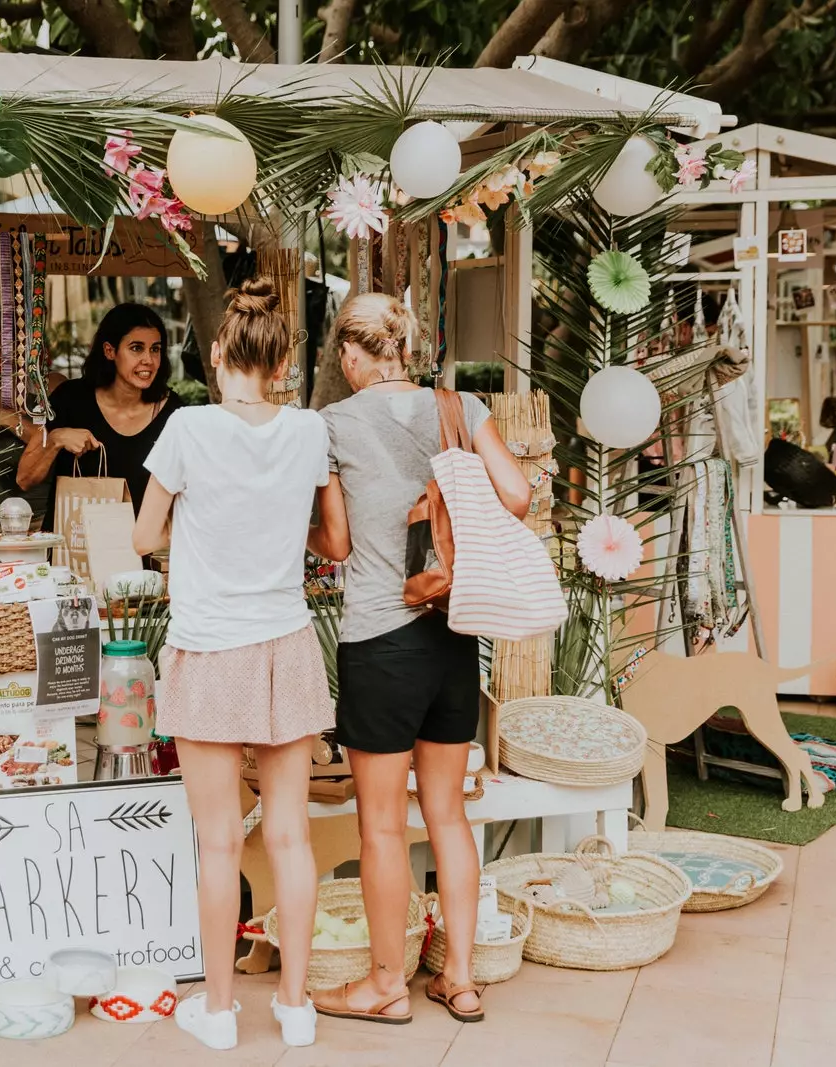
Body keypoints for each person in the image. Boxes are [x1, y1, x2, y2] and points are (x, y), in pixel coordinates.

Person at [308, 294, 529, 1026]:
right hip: (453, 632)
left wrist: (309, 538)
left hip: (379, 639)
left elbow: (337, 545)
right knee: (447, 815)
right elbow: (519, 495)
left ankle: (382, 984)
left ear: (349, 355)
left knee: (378, 824)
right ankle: (460, 978)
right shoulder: (458, 405)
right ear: (405, 346)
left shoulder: (332, 424)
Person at [133, 278, 332, 1051]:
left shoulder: (186, 428)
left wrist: (194, 523)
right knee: (290, 836)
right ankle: (296, 1007)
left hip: (210, 645)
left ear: (217, 354)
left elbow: (146, 535)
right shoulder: (310, 430)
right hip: (285, 643)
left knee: (218, 840)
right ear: (283, 359)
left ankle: (217, 1012)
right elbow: (322, 531)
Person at [16, 303, 182, 520]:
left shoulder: (174, 414)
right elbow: (24, 478)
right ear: (109, 351)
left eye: (155, 349)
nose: (148, 360)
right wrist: (56, 438)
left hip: (142, 549)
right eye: (136, 348)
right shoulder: (71, 399)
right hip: (76, 547)